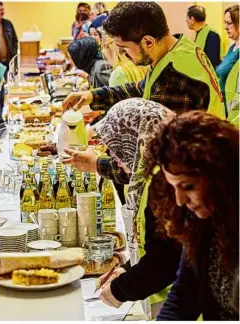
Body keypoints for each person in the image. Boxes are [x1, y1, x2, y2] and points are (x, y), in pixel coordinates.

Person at [63, 2, 225, 189]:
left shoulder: (174, 80)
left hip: (195, 181)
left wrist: (97, 164)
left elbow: (151, 162)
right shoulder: (177, 49)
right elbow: (143, 87)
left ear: (148, 41)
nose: (124, 54)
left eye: (124, 48)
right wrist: (93, 96)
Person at [64, 99, 182, 319]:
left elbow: (164, 262)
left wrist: (120, 289)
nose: (115, 160)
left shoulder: (164, 185)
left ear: (135, 140)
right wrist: (128, 269)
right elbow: (155, 248)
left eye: (117, 149)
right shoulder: (152, 174)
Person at [144, 111, 239, 321]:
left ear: (219, 177)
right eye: (173, 187)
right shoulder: (201, 221)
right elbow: (185, 295)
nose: (179, 200)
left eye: (187, 186)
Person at [216, 5, 239, 122]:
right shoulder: (232, 48)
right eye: (225, 23)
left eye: (229, 23)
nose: (225, 27)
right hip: (225, 108)